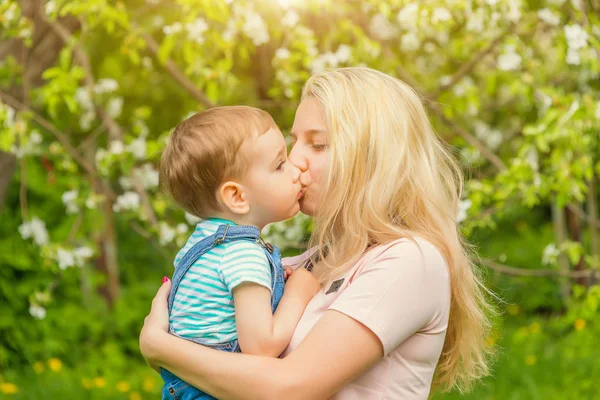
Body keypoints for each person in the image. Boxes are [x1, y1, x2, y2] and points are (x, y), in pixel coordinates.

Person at [140, 67, 494, 399]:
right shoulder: (311, 261)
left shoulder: (410, 261)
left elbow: (290, 390)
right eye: (294, 143)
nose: (296, 161)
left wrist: (160, 346)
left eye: (318, 144)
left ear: (372, 158)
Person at [157, 106, 320, 399]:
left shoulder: (204, 243)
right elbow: (261, 347)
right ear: (237, 196)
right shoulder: (243, 254)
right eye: (279, 165)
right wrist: (297, 291)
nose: (296, 170)